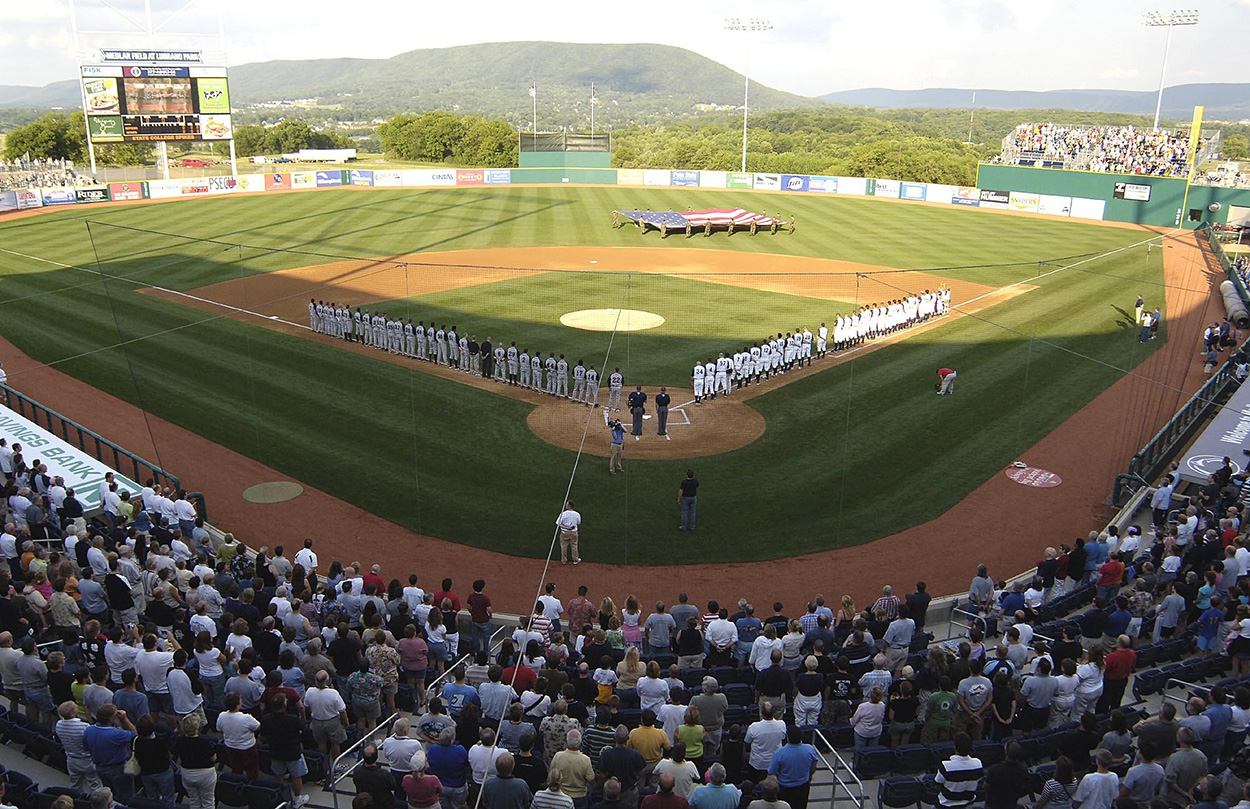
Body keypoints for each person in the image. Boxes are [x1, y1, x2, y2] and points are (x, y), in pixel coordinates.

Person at [82, 704, 137, 799]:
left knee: (109, 795)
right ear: (111, 718)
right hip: (118, 769)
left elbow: (86, 748)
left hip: (99, 768)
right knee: (126, 796)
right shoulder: (117, 734)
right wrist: (124, 719)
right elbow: (135, 734)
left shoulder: (88, 730)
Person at [172, 713, 217, 809]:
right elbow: (213, 758)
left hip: (188, 774)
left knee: (194, 801)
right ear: (197, 727)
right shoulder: (204, 742)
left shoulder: (179, 741)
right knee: (208, 802)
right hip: (206, 774)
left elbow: (176, 754)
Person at [768, 726, 819, 809]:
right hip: (803, 786)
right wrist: (809, 776)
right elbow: (814, 766)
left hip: (785, 789)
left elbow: (771, 772)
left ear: (788, 738)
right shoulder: (810, 749)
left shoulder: (779, 753)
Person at [935, 733, 983, 808]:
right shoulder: (978, 764)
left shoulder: (946, 766)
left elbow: (937, 783)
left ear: (955, 748)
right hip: (967, 802)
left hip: (946, 804)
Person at [983, 740, 1028, 809]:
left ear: (1006, 752)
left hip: (993, 804)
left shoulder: (995, 769)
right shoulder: (1023, 769)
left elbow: (985, 786)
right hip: (1011, 803)